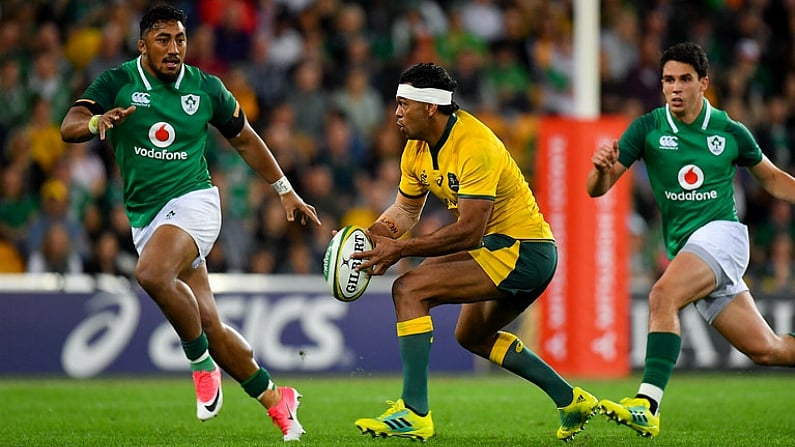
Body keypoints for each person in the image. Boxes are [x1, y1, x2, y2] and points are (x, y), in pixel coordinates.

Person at [60, 5, 321, 442]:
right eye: (163, 39)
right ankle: (279, 401)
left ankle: (201, 365)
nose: (174, 48)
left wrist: (284, 190)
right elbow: (67, 126)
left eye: (180, 39)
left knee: (150, 274)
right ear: (142, 44)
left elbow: (245, 139)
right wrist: (95, 121)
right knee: (212, 327)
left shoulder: (206, 88)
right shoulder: (118, 82)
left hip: (196, 204)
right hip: (147, 218)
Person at [351, 62, 599, 442]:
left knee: (409, 289)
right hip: (502, 250)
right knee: (472, 335)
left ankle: (414, 411)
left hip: (522, 250)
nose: (396, 113)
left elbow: (469, 231)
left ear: (430, 107)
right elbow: (403, 212)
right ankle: (571, 400)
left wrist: (401, 250)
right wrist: (366, 241)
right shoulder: (415, 151)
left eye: (403, 104)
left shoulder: (475, 145)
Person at [587, 41, 795, 438]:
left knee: (662, 295)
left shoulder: (729, 131)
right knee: (768, 349)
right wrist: (601, 170)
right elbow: (597, 189)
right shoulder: (647, 128)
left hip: (723, 238)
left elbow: (772, 179)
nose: (675, 88)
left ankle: (646, 404)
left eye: (684, 79)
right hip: (691, 251)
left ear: (704, 84)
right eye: (668, 80)